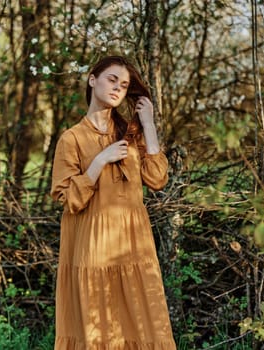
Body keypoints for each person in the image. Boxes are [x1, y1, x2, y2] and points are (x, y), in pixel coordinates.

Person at [51, 55, 176, 349]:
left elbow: (157, 179)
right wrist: (98, 162)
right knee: (100, 326)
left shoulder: (131, 135)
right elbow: (67, 198)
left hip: (135, 242)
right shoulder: (71, 139)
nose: (118, 88)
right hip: (93, 245)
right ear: (92, 80)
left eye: (124, 85)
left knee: (144, 320)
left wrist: (148, 125)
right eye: (112, 80)